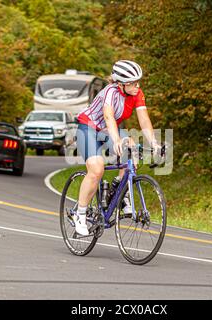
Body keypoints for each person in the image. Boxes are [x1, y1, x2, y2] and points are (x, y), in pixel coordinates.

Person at [74, 60, 161, 236]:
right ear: (122, 84)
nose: (138, 86)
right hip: (89, 128)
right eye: (134, 83)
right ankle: (80, 213)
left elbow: (144, 119)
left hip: (109, 129)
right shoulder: (110, 93)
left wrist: (154, 143)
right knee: (97, 170)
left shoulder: (136, 93)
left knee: (132, 154)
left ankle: (119, 190)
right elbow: (108, 116)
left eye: (138, 82)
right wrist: (115, 139)